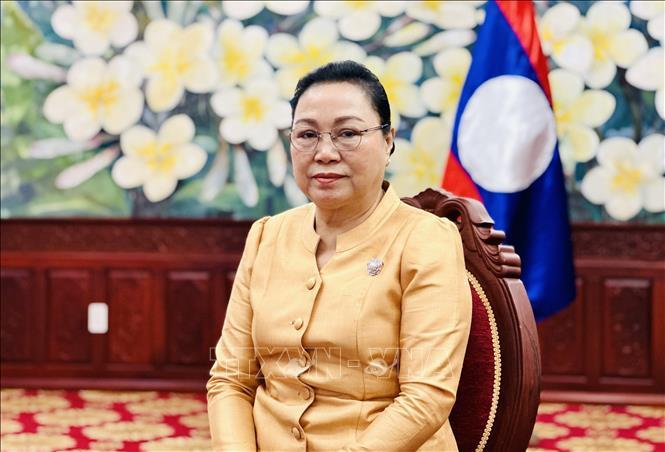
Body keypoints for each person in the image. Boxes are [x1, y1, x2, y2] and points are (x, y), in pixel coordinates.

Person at [207, 60, 472, 451]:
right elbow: (231, 379)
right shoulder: (267, 236)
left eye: (348, 133)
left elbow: (426, 397)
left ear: (388, 141)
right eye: (307, 134)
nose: (325, 152)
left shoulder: (426, 240)